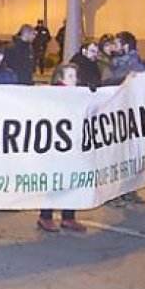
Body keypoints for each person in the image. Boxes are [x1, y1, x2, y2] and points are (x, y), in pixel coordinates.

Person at [38, 63, 87, 233]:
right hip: (56, 146)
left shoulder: (77, 95)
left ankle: (68, 217)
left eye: (75, 76)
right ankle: (45, 217)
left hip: (72, 145)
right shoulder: (54, 96)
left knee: (71, 180)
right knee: (54, 181)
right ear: (61, 78)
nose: (74, 80)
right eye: (70, 76)